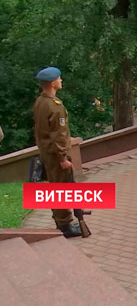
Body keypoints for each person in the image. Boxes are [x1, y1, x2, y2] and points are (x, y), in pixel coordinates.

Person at [32, 67, 82, 238]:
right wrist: (63, 157)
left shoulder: (40, 101)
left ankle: (61, 221)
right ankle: (65, 225)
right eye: (59, 79)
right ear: (53, 83)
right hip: (56, 155)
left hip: (47, 153)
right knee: (60, 188)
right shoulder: (55, 106)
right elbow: (58, 134)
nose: (61, 81)